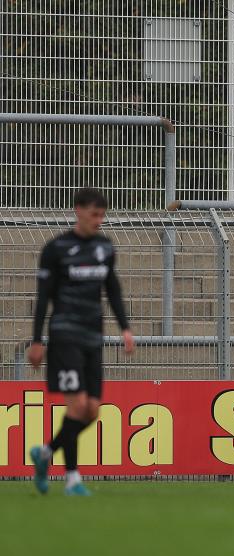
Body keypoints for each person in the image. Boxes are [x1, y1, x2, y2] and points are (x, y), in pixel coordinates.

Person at [28, 187, 135, 496]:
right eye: (94, 215)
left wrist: (125, 328)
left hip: (93, 335)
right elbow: (43, 297)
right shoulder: (56, 248)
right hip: (65, 334)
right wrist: (37, 340)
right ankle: (72, 479)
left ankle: (46, 452)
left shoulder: (104, 247)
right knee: (76, 407)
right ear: (78, 211)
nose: (99, 221)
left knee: (92, 410)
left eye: (102, 215)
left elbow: (112, 288)